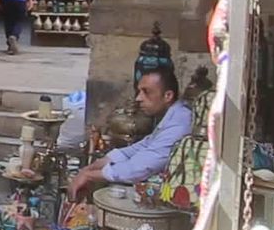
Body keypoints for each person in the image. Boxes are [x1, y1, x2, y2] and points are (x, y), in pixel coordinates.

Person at [67, 68, 193, 201]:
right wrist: (89, 169)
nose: (138, 98)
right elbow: (138, 148)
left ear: (168, 96)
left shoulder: (180, 123)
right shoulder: (172, 116)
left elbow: (138, 169)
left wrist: (88, 176)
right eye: (139, 91)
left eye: (147, 92)